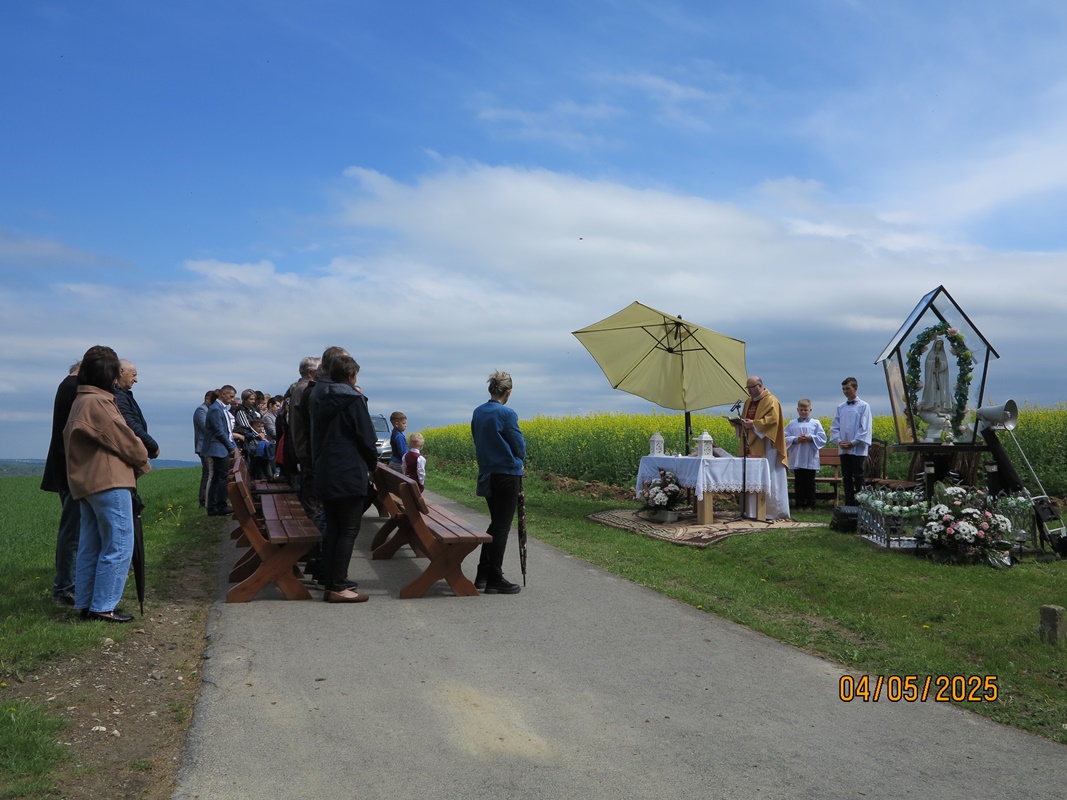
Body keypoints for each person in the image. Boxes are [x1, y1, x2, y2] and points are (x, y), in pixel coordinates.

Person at [64, 345, 151, 623]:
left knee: (91, 545)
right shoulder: (98, 402)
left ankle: (86, 603)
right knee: (119, 544)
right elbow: (127, 441)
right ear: (108, 374)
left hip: (88, 483)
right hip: (109, 481)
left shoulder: (82, 400)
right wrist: (143, 460)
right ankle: (103, 606)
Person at [312, 354, 377, 603]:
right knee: (348, 530)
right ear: (352, 375)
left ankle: (331, 582)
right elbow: (367, 438)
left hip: (326, 469)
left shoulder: (322, 398)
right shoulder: (354, 399)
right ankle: (339, 587)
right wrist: (372, 465)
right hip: (349, 470)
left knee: (333, 528)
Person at [471, 371, 525, 595]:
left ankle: (482, 575)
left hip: (487, 475)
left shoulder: (478, 411)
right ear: (508, 392)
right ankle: (495, 578)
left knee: (495, 524)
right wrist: (518, 461)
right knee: (502, 527)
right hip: (506, 475)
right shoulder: (506, 413)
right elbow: (519, 447)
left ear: (490, 389)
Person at [40, 360, 82, 606]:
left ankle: (69, 585)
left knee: (74, 531)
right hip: (71, 471)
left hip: (66, 469)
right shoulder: (73, 386)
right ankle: (65, 589)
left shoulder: (67, 385)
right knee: (72, 532)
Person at [737, 375, 790, 521]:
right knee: (751, 476)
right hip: (750, 443)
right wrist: (739, 423)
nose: (749, 391)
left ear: (760, 386)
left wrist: (753, 424)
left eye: (751, 387)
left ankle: (771, 511)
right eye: (747, 388)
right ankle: (751, 511)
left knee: (768, 474)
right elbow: (745, 419)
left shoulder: (771, 400)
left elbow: (773, 420)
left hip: (767, 445)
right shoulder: (748, 402)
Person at [830, 377, 873, 507]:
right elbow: (835, 426)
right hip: (844, 447)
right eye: (843, 389)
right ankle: (849, 502)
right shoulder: (840, 407)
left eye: (848, 388)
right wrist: (839, 441)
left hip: (857, 447)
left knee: (858, 475)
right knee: (846, 476)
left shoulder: (864, 406)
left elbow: (865, 427)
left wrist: (853, 442)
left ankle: (861, 503)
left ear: (855, 388)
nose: (845, 391)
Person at [785, 399, 827, 510]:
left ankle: (810, 504)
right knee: (799, 482)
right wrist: (795, 439)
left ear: (810, 410)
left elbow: (822, 438)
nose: (803, 412)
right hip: (797, 456)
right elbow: (785, 437)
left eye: (806, 410)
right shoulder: (792, 424)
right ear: (797, 410)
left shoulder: (815, 423)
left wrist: (810, 438)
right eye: (801, 410)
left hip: (810, 456)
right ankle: (799, 504)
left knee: (810, 482)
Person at [114, 360, 160, 459]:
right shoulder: (118, 396)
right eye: (133, 375)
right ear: (121, 372)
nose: (136, 380)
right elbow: (129, 423)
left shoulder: (123, 394)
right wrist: (152, 446)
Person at [203, 385, 238, 516]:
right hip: (217, 448)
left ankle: (214, 507)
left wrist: (233, 446)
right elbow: (220, 431)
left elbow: (228, 432)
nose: (232, 399)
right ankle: (220, 505)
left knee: (218, 477)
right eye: (231, 396)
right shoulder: (216, 409)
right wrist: (231, 448)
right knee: (221, 477)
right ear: (223, 394)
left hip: (221, 447)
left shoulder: (221, 409)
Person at [193, 390, 217, 507]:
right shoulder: (201, 410)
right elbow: (205, 427)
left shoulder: (207, 410)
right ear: (207, 399)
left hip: (209, 446)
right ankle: (204, 500)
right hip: (204, 446)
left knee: (207, 473)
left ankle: (206, 499)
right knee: (208, 473)